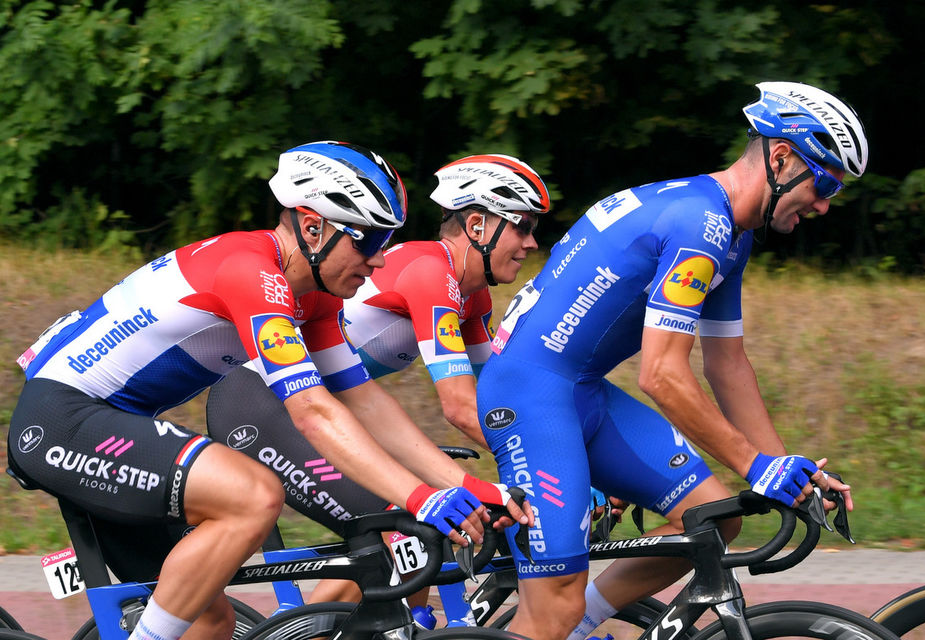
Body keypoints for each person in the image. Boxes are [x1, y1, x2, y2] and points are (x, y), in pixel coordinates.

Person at [7, 141, 524, 640]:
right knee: (252, 495)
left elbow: (365, 401)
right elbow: (312, 413)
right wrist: (420, 496)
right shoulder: (251, 271)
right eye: (367, 241)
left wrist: (464, 485)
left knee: (209, 623)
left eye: (386, 242)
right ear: (313, 227)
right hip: (62, 418)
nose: (379, 261)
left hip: (111, 423)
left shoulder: (314, 299)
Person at [474, 81, 868, 640]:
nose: (826, 203)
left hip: (580, 390)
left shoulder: (731, 232)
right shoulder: (699, 225)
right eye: (825, 181)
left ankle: (582, 623)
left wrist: (787, 471)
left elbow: (726, 364)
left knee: (713, 520)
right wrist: (755, 466)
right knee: (551, 607)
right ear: (781, 158)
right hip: (529, 395)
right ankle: (562, 621)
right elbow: (661, 373)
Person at [205, 153, 549, 604]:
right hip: (261, 404)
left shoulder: (474, 296)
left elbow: (497, 402)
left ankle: (350, 627)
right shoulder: (431, 272)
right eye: (522, 226)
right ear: (479, 227)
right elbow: (462, 407)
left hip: (331, 410)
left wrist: (552, 463)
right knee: (408, 531)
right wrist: (551, 476)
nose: (530, 244)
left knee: (416, 547)